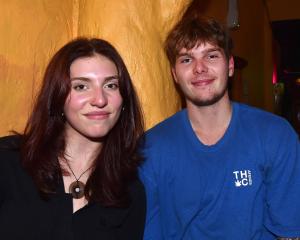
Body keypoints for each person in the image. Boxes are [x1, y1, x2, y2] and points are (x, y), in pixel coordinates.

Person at [139, 15, 300, 240]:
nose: (199, 68)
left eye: (211, 56)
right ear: (175, 75)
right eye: (186, 59)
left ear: (230, 66)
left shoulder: (275, 135)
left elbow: (288, 233)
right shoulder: (150, 149)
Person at [0, 38, 145, 239]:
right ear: (57, 96)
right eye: (81, 86)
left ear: (124, 99)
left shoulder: (129, 191)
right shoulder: (8, 162)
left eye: (111, 85)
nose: (100, 100)